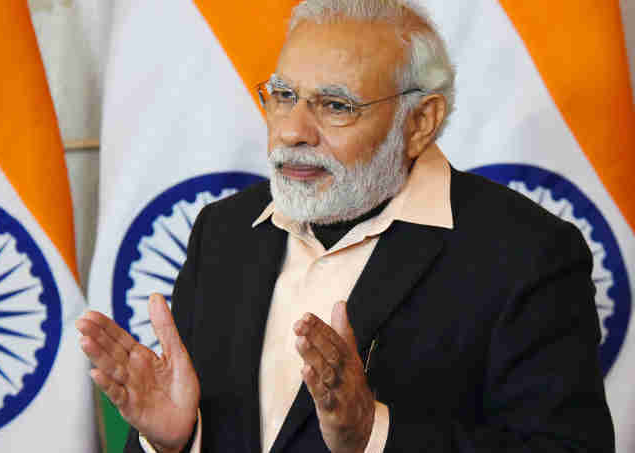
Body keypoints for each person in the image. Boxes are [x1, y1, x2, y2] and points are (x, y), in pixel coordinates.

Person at [76, 0, 615, 451]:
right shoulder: (225, 231)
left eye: (335, 105)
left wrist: (374, 434)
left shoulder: (526, 252)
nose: (293, 132)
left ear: (419, 122)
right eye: (284, 97)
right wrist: (173, 441)